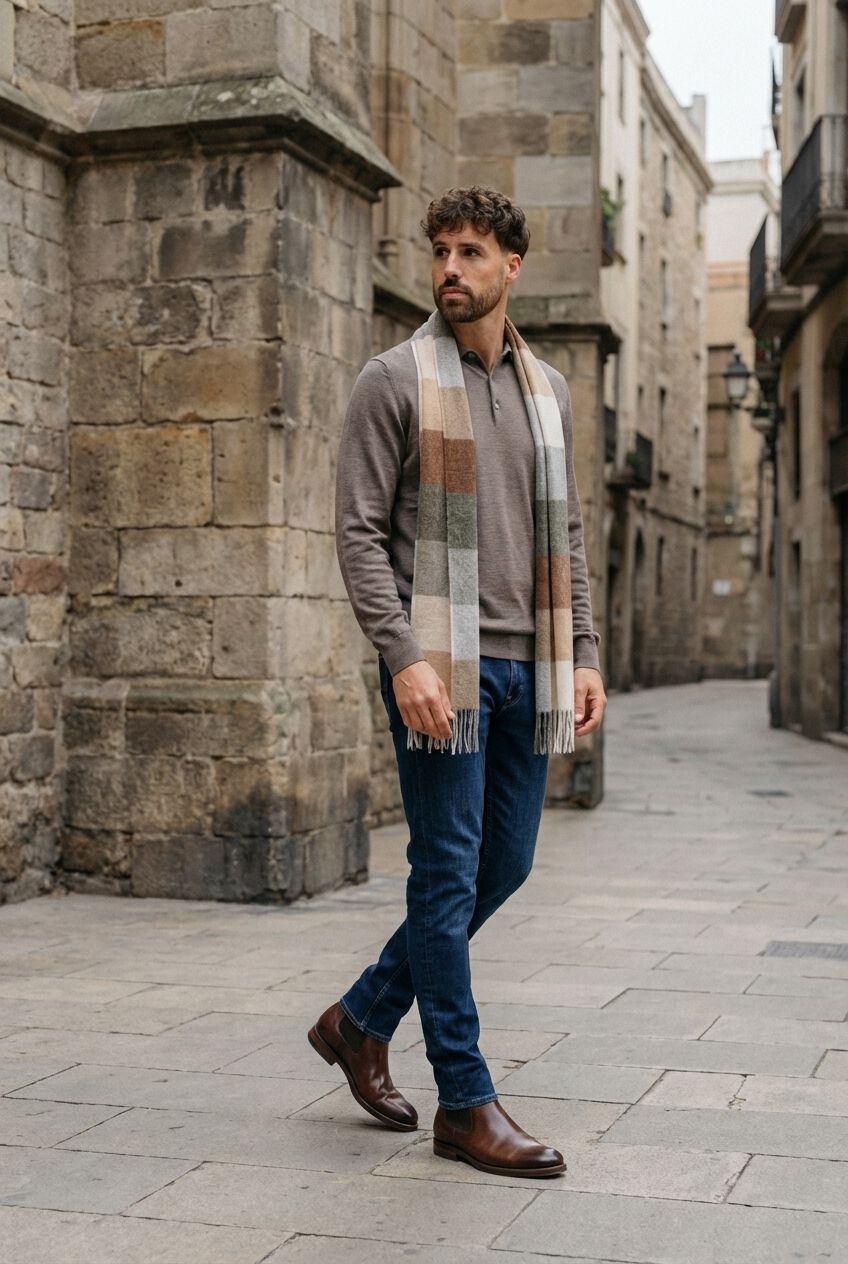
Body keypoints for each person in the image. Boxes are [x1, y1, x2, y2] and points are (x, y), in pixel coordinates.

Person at [308, 186, 606, 1178]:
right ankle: (465, 1102)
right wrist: (402, 658)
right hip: (442, 671)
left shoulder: (548, 390)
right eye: (440, 249)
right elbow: (357, 534)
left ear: (510, 266)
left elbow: (567, 533)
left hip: (531, 666)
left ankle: (360, 1019)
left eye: (470, 251)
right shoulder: (392, 379)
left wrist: (585, 650)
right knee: (444, 874)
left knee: (502, 865)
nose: (450, 267)